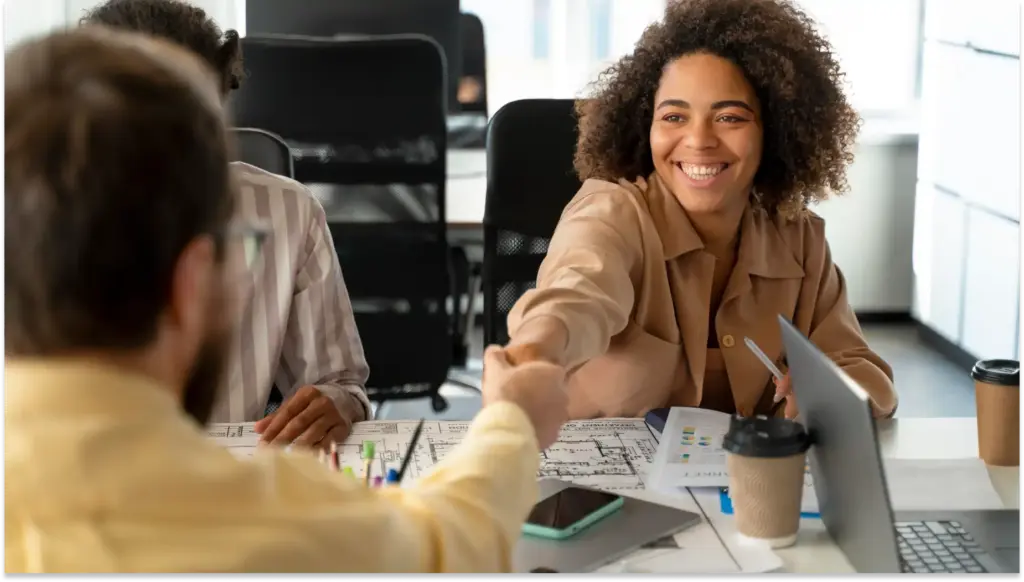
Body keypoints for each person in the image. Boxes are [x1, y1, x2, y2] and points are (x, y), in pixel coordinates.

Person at [3, 27, 568, 573]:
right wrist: (511, 426)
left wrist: (339, 398)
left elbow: (342, 383)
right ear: (192, 284)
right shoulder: (276, 521)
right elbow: (447, 546)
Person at [504, 0, 897, 421]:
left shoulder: (797, 238)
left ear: (775, 131)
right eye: (674, 116)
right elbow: (574, 298)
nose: (699, 140)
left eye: (729, 117)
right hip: (592, 466)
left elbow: (864, 373)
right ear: (645, 127)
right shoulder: (611, 214)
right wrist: (534, 351)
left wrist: (830, 392)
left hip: (741, 467)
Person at [81, 0, 369, 449]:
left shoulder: (288, 213)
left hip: (228, 472)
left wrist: (338, 403)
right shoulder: (37, 219)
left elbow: (341, 384)